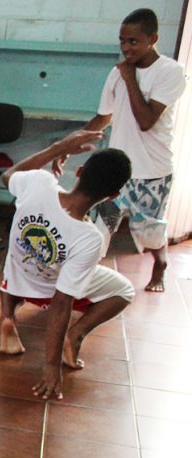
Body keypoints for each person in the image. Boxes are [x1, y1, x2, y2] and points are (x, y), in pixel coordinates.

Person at [0, 131, 134, 401]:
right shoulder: (88, 238)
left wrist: (57, 147)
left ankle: (7, 317)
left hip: (16, 278)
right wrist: (50, 366)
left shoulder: (39, 183)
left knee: (21, 255)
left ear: (80, 171)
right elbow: (62, 302)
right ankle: (77, 335)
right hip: (48, 289)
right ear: (112, 195)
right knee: (125, 290)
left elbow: (8, 176)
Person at [82, 7, 187, 292]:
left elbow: (147, 120)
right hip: (118, 171)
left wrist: (130, 78)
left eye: (134, 41)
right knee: (101, 227)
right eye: (122, 41)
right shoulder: (117, 73)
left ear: (153, 38)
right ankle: (86, 279)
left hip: (152, 172)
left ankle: (160, 263)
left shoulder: (171, 72)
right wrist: (67, 147)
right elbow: (103, 118)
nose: (126, 48)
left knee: (150, 232)